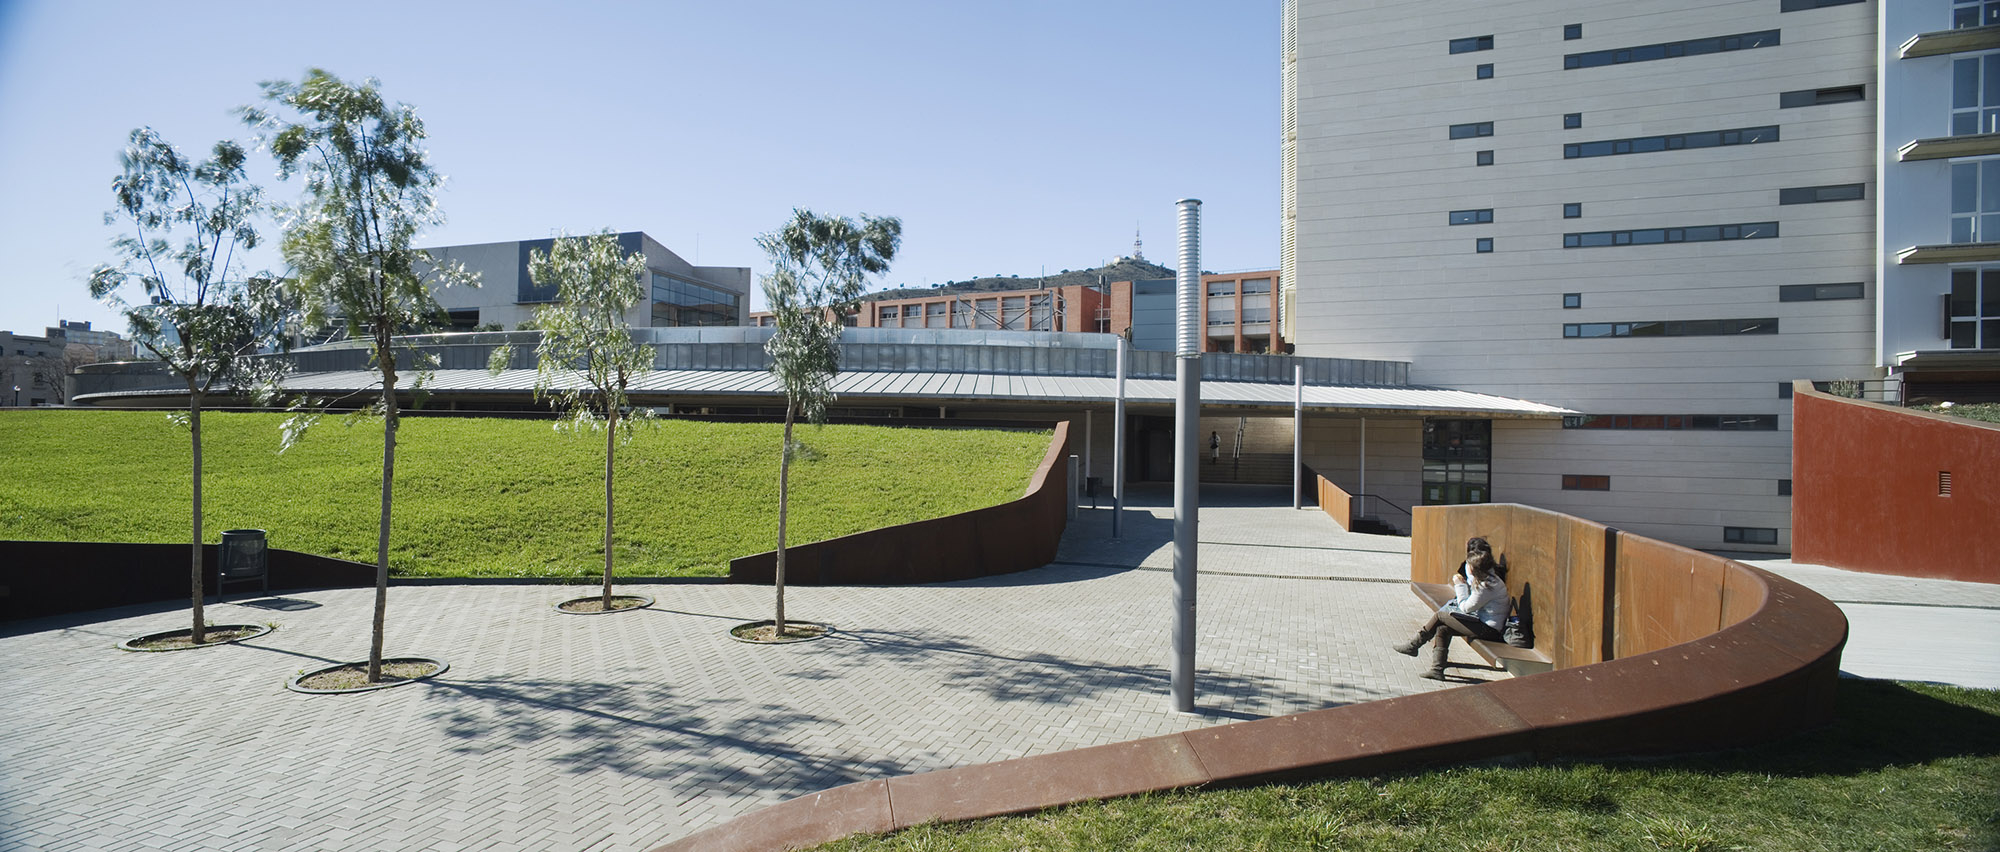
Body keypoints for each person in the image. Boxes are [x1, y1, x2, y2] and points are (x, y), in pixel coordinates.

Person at [1390, 536, 1510, 680]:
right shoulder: (1488, 579)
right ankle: (1437, 669)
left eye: (1469, 565)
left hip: (1489, 629)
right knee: (1442, 628)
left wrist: (1460, 585)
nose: (1467, 567)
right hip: (1483, 623)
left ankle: (1414, 645)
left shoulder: (1486, 586)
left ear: (1475, 569)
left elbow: (1466, 608)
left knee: (1441, 616)